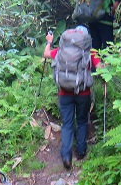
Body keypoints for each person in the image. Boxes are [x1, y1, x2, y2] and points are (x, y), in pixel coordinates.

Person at [43, 27, 101, 169]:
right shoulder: (90, 52)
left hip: (64, 93)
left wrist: (49, 42)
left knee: (67, 124)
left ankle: (66, 156)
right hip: (83, 93)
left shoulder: (61, 50)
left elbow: (45, 54)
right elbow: (100, 68)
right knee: (81, 121)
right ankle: (81, 151)